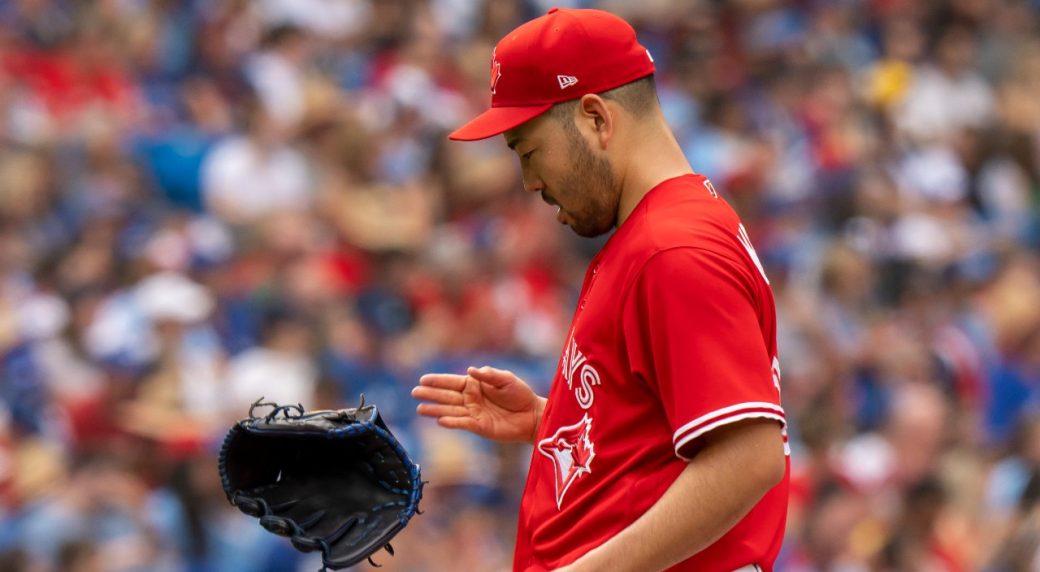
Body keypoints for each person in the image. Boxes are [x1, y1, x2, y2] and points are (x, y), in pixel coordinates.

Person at [412, 8, 789, 572]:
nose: (529, 183)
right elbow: (667, 433)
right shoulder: (657, 233)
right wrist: (556, 423)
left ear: (594, 117)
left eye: (528, 150)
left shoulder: (673, 248)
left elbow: (748, 457)